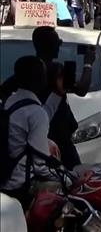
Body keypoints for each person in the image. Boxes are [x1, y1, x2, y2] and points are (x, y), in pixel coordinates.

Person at [32, 26, 93, 169]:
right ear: (50, 45)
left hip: (37, 134)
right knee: (77, 175)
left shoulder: (32, 68)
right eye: (57, 41)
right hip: (58, 135)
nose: (60, 44)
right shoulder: (55, 69)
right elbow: (82, 89)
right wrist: (88, 63)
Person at [1, 56, 56, 207]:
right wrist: (69, 178)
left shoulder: (8, 102)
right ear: (40, 80)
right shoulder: (36, 113)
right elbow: (40, 167)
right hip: (19, 187)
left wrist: (57, 95)